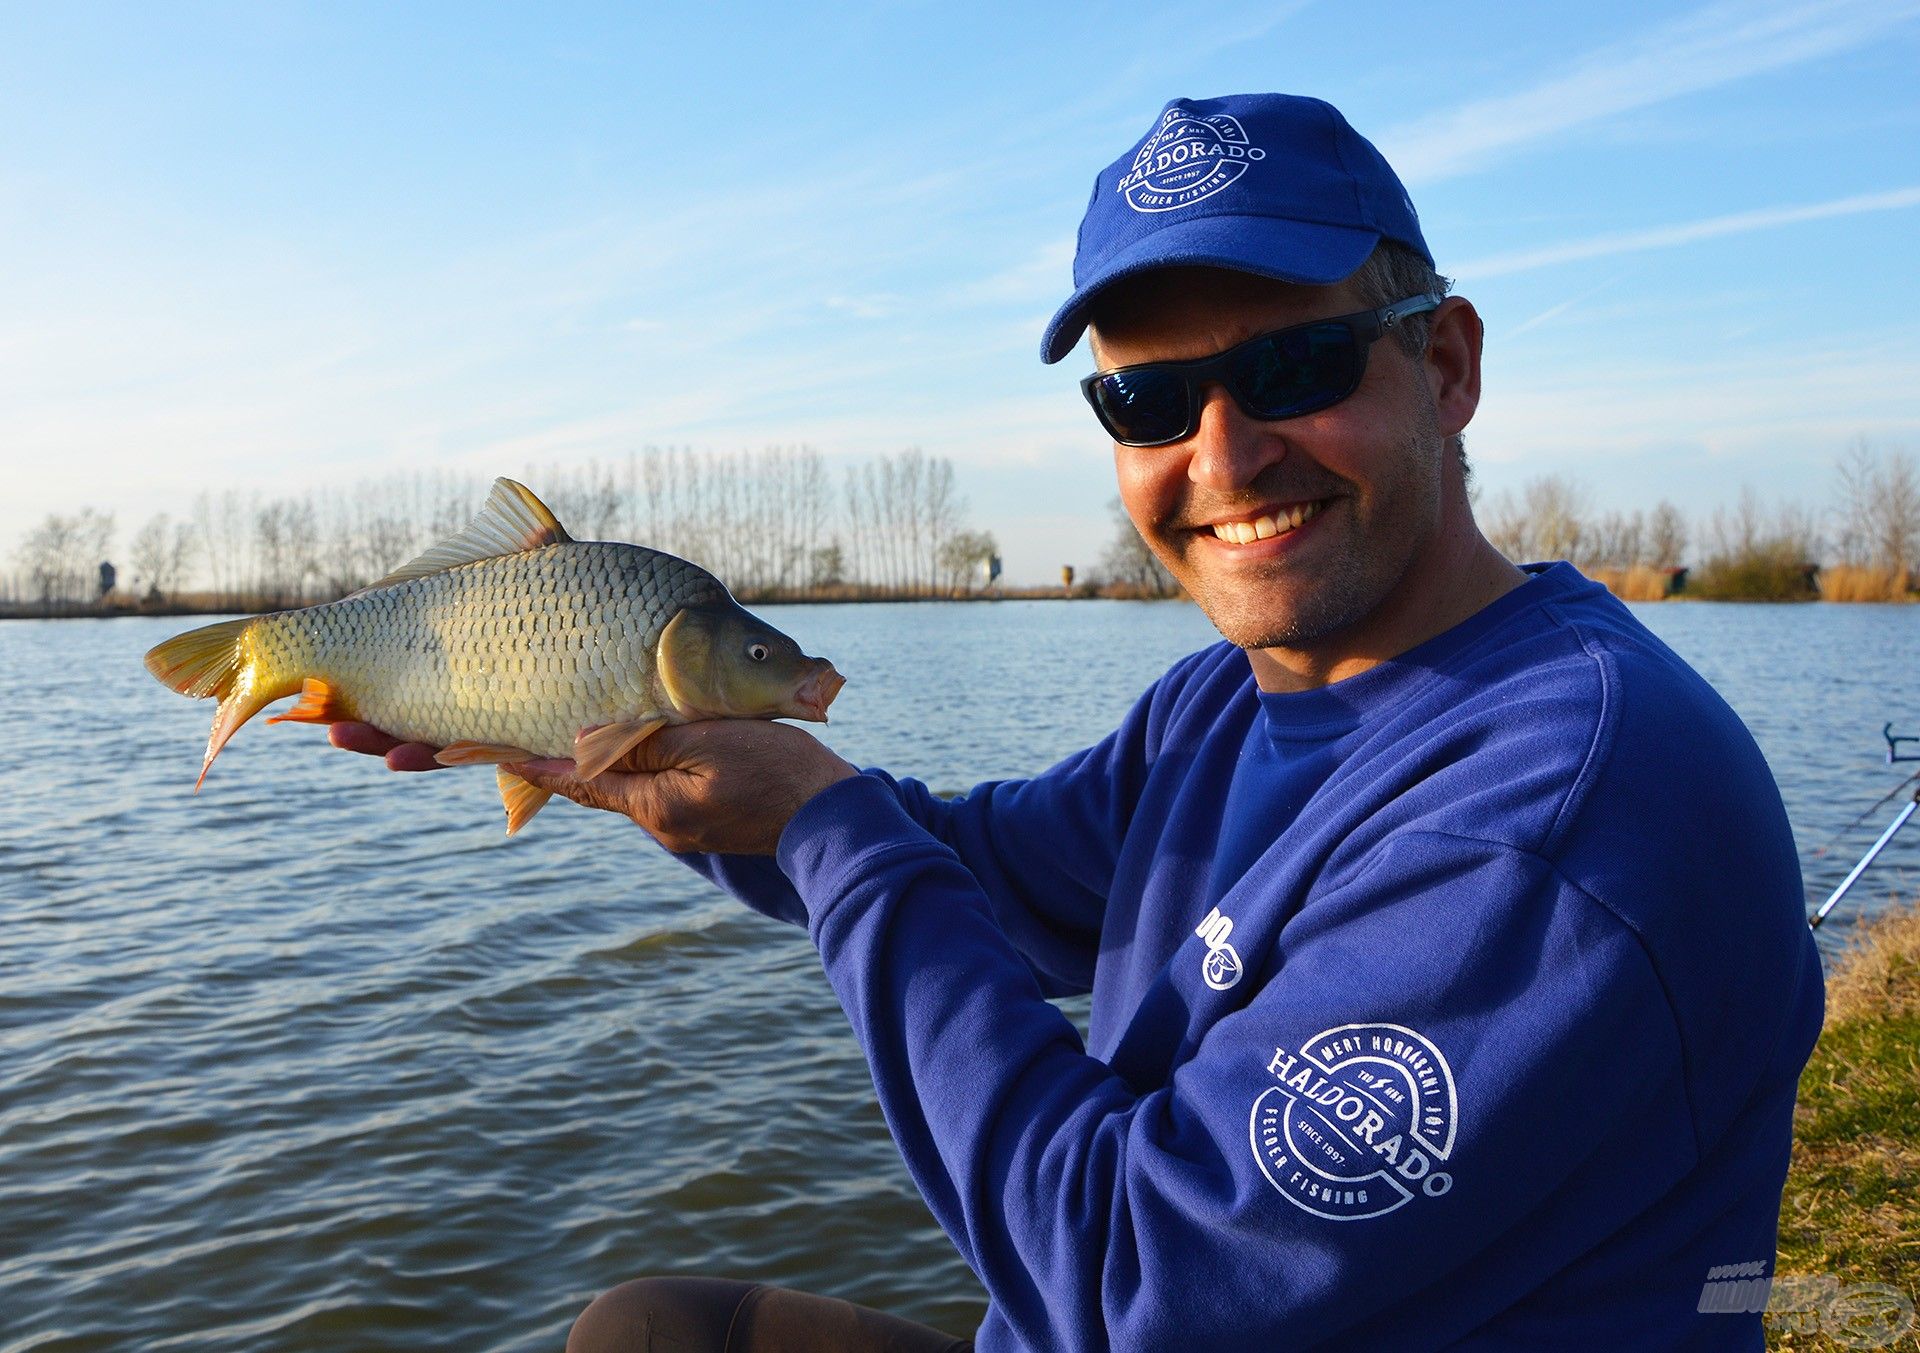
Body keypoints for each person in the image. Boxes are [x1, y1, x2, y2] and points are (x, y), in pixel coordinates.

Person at [336, 93, 1825, 1351]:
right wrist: (668, 775)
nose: (1223, 456)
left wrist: (823, 822)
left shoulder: (1556, 810)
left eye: (1296, 368)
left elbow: (1135, 1285)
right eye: (1151, 403)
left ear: (1445, 368)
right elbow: (986, 870)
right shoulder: (1235, 700)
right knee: (653, 1331)